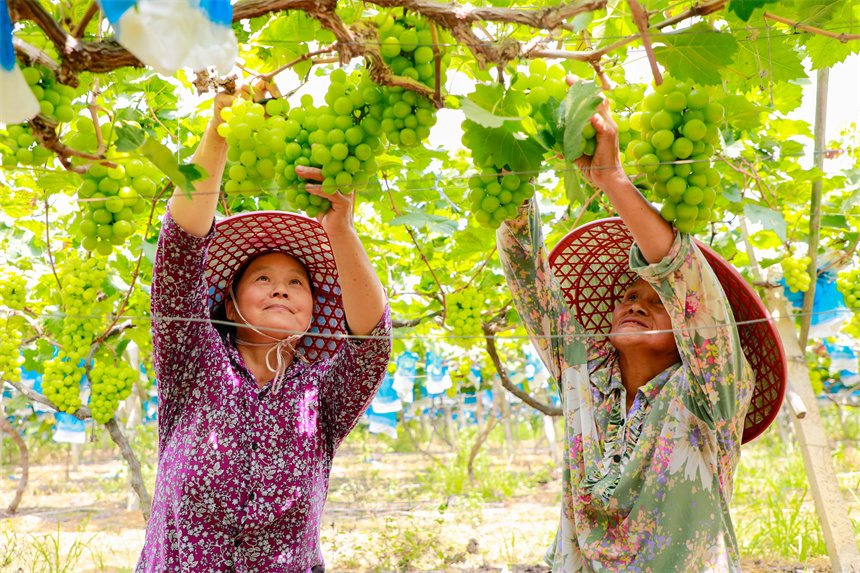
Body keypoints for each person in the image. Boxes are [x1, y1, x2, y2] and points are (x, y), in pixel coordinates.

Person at [497, 91, 783, 572]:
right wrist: (515, 172)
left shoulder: (710, 394)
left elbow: (687, 282)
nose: (636, 303)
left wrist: (612, 181)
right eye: (629, 296)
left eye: (658, 301)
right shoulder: (585, 380)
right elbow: (532, 286)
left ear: (690, 328)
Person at [136, 91, 391, 572]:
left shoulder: (322, 395)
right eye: (262, 279)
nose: (281, 290)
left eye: (297, 283)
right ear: (229, 304)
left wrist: (341, 228)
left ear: (314, 312)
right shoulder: (193, 360)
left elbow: (372, 340)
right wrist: (219, 133)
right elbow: (179, 249)